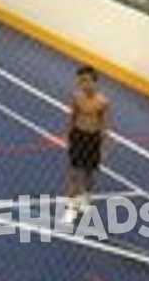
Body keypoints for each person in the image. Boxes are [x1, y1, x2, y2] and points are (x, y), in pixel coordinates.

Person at [62, 65, 110, 222]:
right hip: (78, 136)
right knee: (74, 174)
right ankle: (70, 209)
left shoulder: (103, 102)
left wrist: (104, 147)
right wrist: (68, 137)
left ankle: (85, 199)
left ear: (94, 82)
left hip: (93, 139)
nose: (83, 84)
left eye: (86, 81)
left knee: (88, 174)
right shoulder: (77, 97)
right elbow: (72, 117)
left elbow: (104, 126)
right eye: (81, 81)